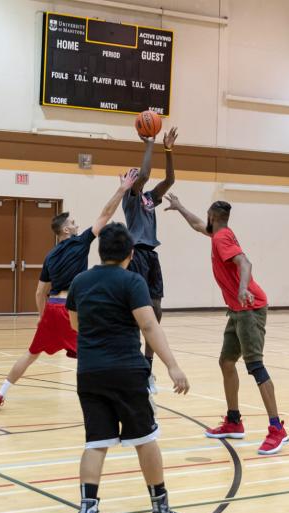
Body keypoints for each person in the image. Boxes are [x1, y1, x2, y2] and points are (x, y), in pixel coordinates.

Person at [66, 222, 190, 513]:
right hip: (127, 370)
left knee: (96, 442)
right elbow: (149, 326)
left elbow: (76, 323)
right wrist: (173, 366)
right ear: (130, 255)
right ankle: (161, 510)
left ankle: (87, 512)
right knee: (145, 438)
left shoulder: (80, 282)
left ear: (100, 250)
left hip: (89, 372)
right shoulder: (133, 281)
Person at [0, 169, 139, 409]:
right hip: (70, 311)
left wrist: (41, 317)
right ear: (66, 231)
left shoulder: (49, 256)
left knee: (30, 354)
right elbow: (105, 214)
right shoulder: (80, 242)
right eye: (72, 223)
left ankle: (0, 392)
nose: (76, 224)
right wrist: (122, 189)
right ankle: (109, 398)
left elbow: (40, 292)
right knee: (94, 352)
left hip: (52, 309)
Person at [164, 194, 289, 455]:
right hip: (236, 310)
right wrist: (180, 207)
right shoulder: (220, 233)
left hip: (249, 308)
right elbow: (198, 225)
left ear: (213, 217)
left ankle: (277, 429)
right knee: (226, 362)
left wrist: (243, 288)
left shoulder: (221, 238)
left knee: (255, 366)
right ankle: (234, 421)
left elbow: (245, 262)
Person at [123, 126, 177, 394]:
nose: (137, 176)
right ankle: (134, 365)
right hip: (136, 256)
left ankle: (148, 367)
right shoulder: (130, 198)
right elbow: (144, 174)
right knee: (138, 313)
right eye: (131, 175)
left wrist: (167, 150)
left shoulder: (148, 199)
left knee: (156, 312)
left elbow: (169, 180)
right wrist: (149, 144)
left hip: (151, 257)